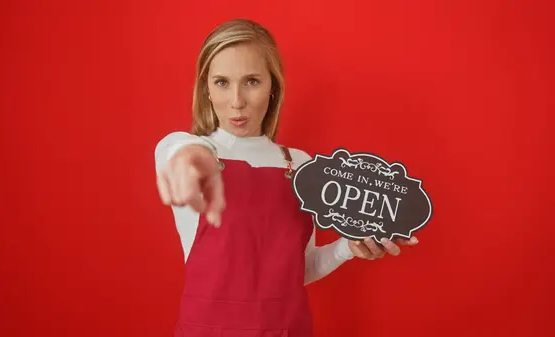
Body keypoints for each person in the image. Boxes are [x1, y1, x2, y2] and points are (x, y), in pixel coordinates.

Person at [154, 18, 418, 337]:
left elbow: (300, 270)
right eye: (222, 82)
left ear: (273, 86)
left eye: (252, 81)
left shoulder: (300, 166)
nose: (237, 100)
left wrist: (347, 247)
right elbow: (172, 148)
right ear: (206, 89)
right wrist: (188, 153)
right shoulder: (192, 151)